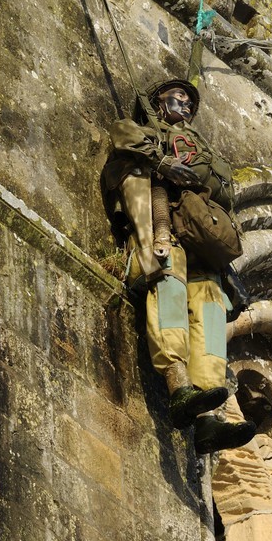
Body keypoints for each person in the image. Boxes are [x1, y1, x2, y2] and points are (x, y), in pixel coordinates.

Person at [101, 77, 256, 453]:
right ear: (158, 102)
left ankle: (209, 419)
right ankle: (179, 385)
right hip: (164, 225)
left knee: (212, 313)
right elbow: (121, 134)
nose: (185, 104)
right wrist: (161, 161)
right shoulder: (149, 133)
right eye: (178, 97)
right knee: (169, 289)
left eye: (190, 101)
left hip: (202, 237)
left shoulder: (205, 154)